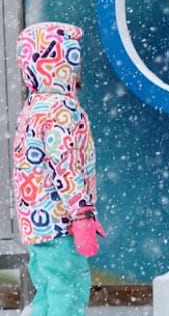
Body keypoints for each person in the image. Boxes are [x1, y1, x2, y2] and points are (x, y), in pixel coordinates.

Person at [13, 22, 105, 315]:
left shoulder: (34, 106)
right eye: (74, 60)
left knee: (50, 292)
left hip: (38, 224)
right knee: (70, 289)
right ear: (63, 63)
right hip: (59, 222)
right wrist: (82, 214)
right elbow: (66, 168)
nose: (78, 70)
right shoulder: (59, 110)